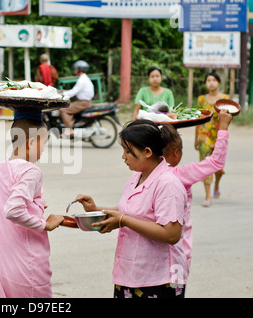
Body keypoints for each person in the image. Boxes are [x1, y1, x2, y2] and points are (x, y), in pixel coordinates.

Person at [76, 120, 188, 298]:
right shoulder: (137, 176)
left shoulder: (168, 184)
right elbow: (130, 211)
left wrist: (123, 220)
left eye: (128, 151)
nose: (123, 156)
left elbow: (171, 234)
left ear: (147, 152)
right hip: (130, 274)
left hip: (159, 279)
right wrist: (96, 209)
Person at [0, 110, 64, 298]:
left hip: (2, 260)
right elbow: (12, 210)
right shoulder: (31, 171)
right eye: (43, 143)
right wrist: (45, 224)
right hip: (26, 263)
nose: (43, 150)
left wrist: (35, 208)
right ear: (31, 142)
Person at [162, 110, 232, 271]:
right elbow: (216, 162)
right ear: (176, 153)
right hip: (177, 255)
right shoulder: (180, 175)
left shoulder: (144, 175)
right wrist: (222, 127)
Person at [195, 72, 228, 207]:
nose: (211, 82)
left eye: (214, 80)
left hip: (218, 134)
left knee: (219, 166)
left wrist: (224, 136)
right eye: (208, 80)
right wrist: (196, 138)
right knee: (206, 164)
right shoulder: (201, 99)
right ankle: (208, 195)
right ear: (205, 83)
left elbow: (228, 119)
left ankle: (217, 185)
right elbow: (198, 119)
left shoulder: (225, 98)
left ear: (219, 83)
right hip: (204, 135)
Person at [59, 60, 94, 137]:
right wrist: (66, 91)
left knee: (63, 110)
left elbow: (73, 92)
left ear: (80, 69)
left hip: (82, 103)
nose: (75, 70)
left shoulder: (81, 80)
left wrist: (62, 93)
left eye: (76, 68)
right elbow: (75, 90)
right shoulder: (84, 78)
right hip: (85, 102)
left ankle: (69, 130)